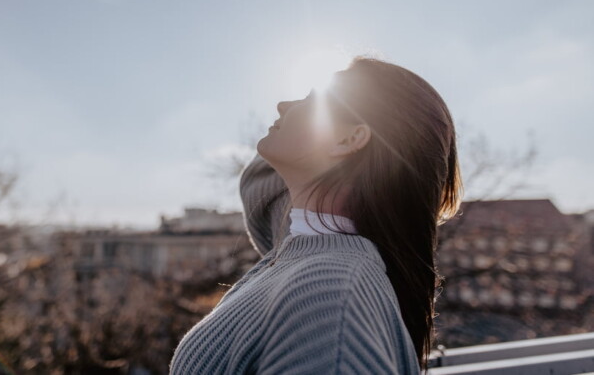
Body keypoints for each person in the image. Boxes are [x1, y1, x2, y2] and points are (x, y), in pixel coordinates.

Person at [169, 56, 463, 374]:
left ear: (349, 139)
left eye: (311, 100)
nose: (282, 104)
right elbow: (260, 182)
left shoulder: (328, 298)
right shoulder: (306, 243)